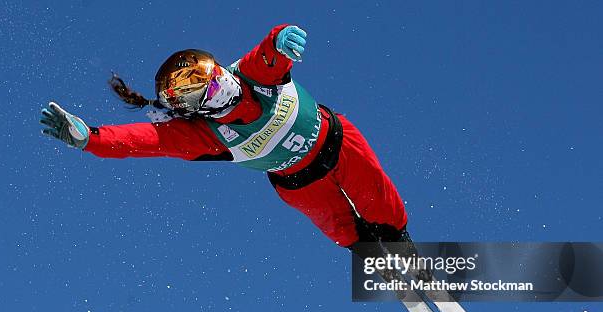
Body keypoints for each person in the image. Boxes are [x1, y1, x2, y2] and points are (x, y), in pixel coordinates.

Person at [40, 24, 412, 257]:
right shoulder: (203, 135)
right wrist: (90, 139)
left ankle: (400, 245)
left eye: (207, 74)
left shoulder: (250, 75)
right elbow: (142, 140)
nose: (217, 86)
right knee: (342, 228)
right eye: (199, 89)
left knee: (378, 199)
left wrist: (281, 40)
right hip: (300, 183)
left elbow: (267, 55)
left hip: (339, 143)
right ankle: (371, 256)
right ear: (189, 108)